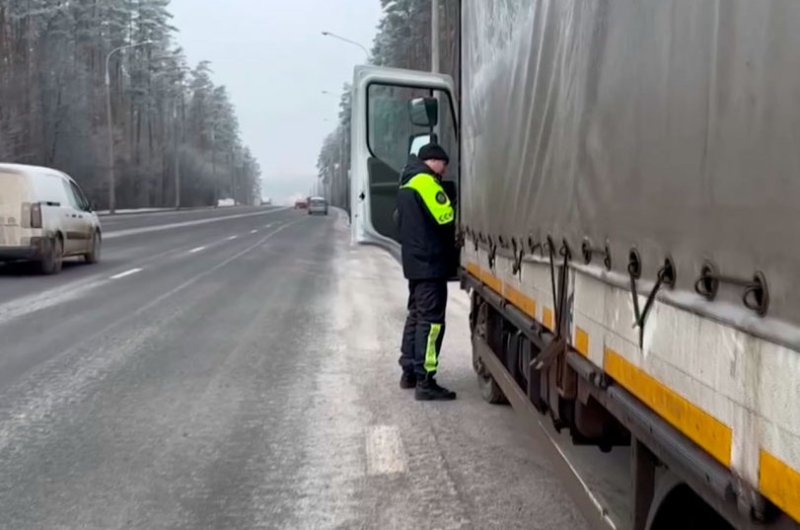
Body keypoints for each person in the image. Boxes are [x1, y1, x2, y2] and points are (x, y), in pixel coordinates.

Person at [396, 143, 458, 401]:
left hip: (415, 264)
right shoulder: (425, 182)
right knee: (431, 324)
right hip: (430, 264)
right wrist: (451, 200)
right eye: (443, 164)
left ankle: (409, 370)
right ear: (434, 161)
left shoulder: (407, 183)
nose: (444, 171)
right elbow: (445, 217)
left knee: (416, 317)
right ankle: (426, 379)